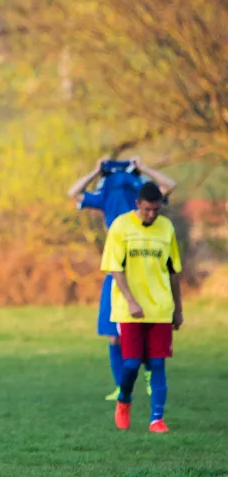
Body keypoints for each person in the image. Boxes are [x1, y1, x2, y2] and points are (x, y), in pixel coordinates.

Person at [68, 156, 176, 400]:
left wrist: (143, 168)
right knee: (113, 332)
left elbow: (170, 185)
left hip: (147, 269)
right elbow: (73, 192)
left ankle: (150, 376)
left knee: (150, 328)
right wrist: (96, 171)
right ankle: (121, 386)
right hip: (118, 269)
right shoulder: (108, 193)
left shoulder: (142, 194)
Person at [100, 182, 183, 433]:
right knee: (132, 364)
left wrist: (178, 309)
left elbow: (173, 272)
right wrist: (131, 301)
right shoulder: (121, 227)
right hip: (130, 309)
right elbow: (115, 267)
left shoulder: (166, 228)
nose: (152, 215)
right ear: (138, 204)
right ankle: (124, 400)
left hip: (160, 307)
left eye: (156, 210)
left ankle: (156, 419)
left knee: (157, 363)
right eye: (147, 209)